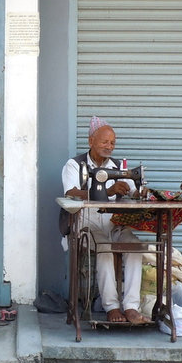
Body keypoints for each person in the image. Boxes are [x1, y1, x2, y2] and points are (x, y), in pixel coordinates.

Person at [61, 116, 151, 324]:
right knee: (105, 248)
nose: (109, 146)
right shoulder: (75, 165)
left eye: (112, 143)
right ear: (91, 141)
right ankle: (111, 307)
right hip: (85, 224)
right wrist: (106, 190)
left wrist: (139, 193)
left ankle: (130, 306)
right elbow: (71, 192)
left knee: (135, 247)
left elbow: (133, 190)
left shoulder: (118, 167)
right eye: (104, 142)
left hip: (113, 224)